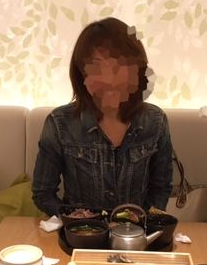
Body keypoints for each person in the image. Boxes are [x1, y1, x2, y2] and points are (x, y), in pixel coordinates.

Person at [32, 17, 173, 217]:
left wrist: (142, 221)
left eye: (119, 67)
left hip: (135, 232)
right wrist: (73, 218)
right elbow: (42, 193)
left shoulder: (155, 121)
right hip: (81, 232)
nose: (109, 80)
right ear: (82, 75)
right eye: (96, 68)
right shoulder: (59, 123)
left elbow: (161, 187)